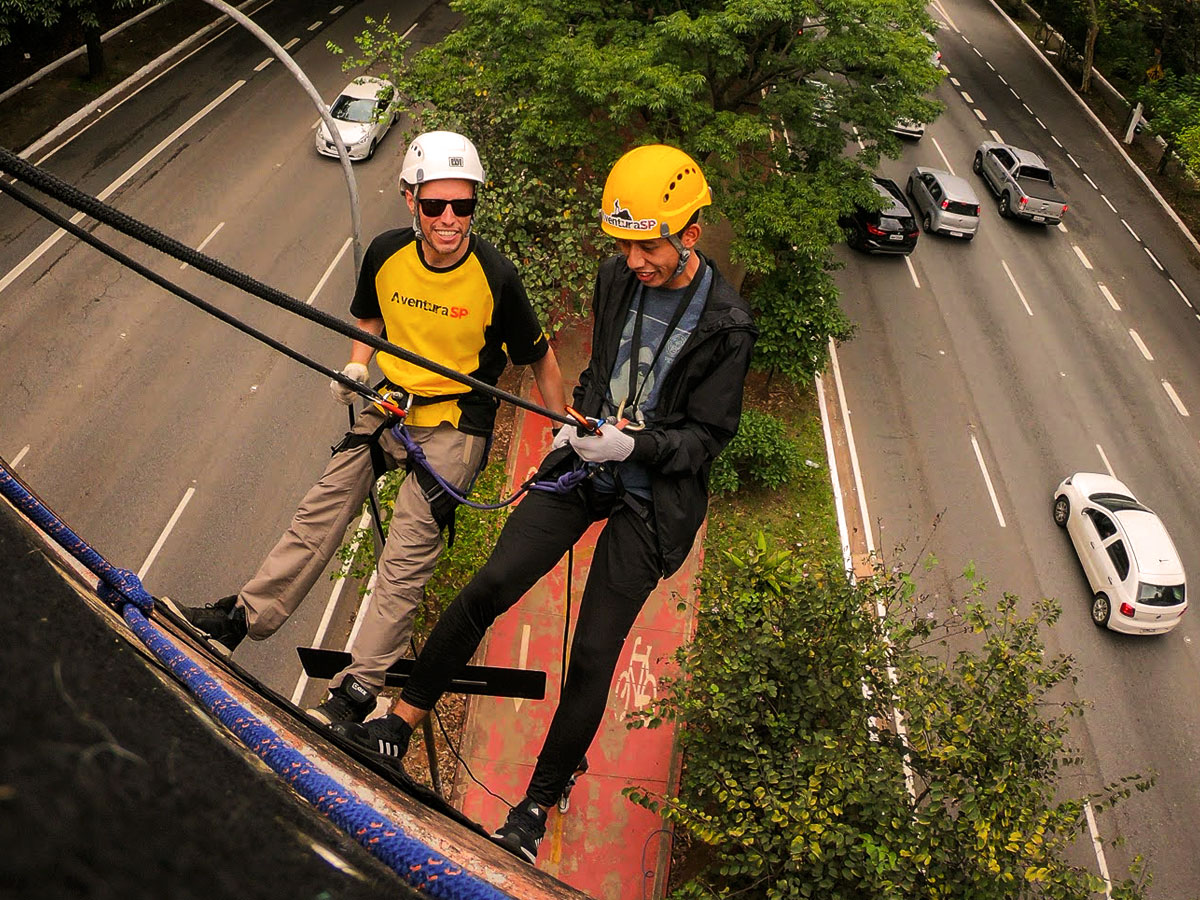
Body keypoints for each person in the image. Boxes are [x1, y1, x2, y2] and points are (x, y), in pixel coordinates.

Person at [332, 143, 757, 863]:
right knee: (490, 585)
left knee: (593, 651)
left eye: (647, 247)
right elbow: (602, 370)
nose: (634, 263)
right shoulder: (614, 280)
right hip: (587, 460)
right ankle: (398, 723)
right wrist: (584, 419)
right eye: (624, 247)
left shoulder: (726, 325)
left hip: (652, 497)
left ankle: (534, 804)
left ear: (690, 233)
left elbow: (705, 439)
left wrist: (634, 447)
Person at [166, 131, 565, 726]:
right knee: (321, 510)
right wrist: (358, 363)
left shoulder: (495, 276)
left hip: (456, 420)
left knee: (405, 556)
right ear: (411, 202)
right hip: (392, 403)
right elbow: (370, 317)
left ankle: (357, 690)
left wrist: (560, 430)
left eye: (464, 206)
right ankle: (241, 620)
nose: (451, 219)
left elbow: (539, 357)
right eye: (436, 206)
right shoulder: (385, 254)